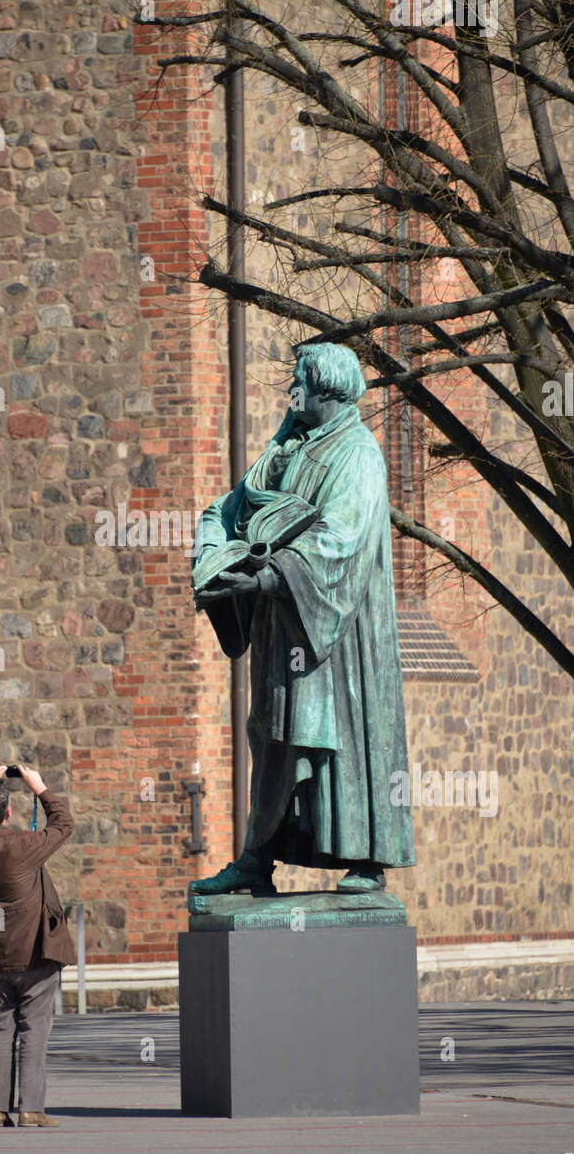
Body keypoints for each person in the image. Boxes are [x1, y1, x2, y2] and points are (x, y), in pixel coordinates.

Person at [192, 341, 415, 896]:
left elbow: (339, 539)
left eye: (300, 381)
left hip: (334, 636)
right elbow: (234, 506)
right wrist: (212, 548)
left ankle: (365, 858)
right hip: (281, 624)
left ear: (328, 390)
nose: (292, 391)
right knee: (270, 735)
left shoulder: (357, 454)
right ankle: (256, 858)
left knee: (333, 736)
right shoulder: (286, 447)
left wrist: (268, 577)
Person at [0, 763, 76, 1128]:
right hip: (35, 954)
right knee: (34, 1031)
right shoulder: (25, 845)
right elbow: (64, 824)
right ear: (9, 812)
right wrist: (39, 787)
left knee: (1, 1029)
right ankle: (31, 1110)